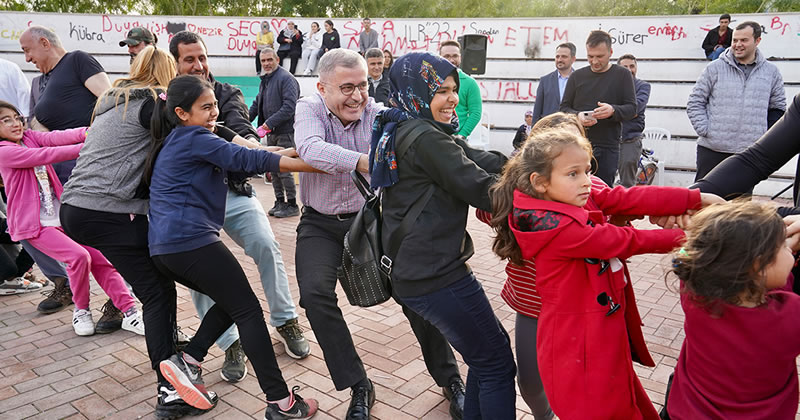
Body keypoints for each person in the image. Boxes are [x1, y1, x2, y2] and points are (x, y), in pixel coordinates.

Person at [294, 49, 466, 420]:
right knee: (314, 294)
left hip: (371, 220)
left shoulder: (377, 112)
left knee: (414, 288)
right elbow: (309, 148)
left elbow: (414, 131)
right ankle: (358, 385)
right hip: (320, 223)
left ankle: (451, 380)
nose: (357, 96)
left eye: (362, 86)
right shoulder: (308, 108)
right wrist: (364, 160)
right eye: (346, 88)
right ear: (322, 88)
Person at [490, 128, 707, 419]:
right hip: (579, 340)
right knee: (599, 406)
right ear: (540, 182)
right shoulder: (555, 227)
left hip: (594, 332)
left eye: (586, 170)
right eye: (573, 174)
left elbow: (625, 198)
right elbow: (624, 241)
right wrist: (692, 237)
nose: (586, 182)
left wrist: (693, 199)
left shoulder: (564, 200)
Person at [146, 74, 318, 420]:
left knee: (231, 301)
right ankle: (281, 403)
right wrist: (322, 167)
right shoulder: (196, 137)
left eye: (214, 106)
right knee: (248, 311)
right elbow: (251, 162)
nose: (214, 114)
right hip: (192, 244)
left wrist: (310, 151)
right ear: (181, 112)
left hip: (166, 250)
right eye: (206, 108)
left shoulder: (178, 139)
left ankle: (189, 361)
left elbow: (256, 151)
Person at [59, 46, 211, 419]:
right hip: (107, 209)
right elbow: (198, 132)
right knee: (158, 293)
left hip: (78, 208)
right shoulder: (149, 107)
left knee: (157, 285)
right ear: (166, 78)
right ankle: (170, 389)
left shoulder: (114, 104)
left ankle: (172, 357)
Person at [373, 52, 513, 418]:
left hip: (416, 270)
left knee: (487, 358)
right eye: (442, 91)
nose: (453, 98)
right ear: (418, 92)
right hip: (435, 275)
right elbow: (482, 189)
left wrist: (527, 161)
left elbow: (473, 159)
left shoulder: (409, 126)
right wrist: (547, 183)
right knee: (496, 362)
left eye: (454, 89)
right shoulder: (425, 138)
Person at [169, 30, 311, 384]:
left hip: (232, 189)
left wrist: (259, 149)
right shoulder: (168, 101)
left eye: (202, 56)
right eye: (190, 59)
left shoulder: (225, 93)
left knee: (266, 245)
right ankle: (230, 343)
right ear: (175, 62)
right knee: (198, 274)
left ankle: (285, 319)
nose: (199, 65)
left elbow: (241, 133)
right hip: (193, 205)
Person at [0, 100, 145, 338]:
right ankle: (81, 311)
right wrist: (91, 145)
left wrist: (92, 131)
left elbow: (57, 138)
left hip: (60, 217)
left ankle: (129, 312)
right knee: (78, 257)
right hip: (34, 225)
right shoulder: (4, 151)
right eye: (6, 120)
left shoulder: (29, 137)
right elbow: (46, 154)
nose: (16, 123)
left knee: (100, 260)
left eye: (17, 117)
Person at [665, 200, 800, 419]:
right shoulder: (792, 316)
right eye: (784, 247)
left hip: (688, 412)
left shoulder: (697, 298)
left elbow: (683, 260)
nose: (790, 250)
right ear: (758, 266)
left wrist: (697, 240)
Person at [687, 21, 785, 182]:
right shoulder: (714, 68)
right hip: (712, 150)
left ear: (757, 41)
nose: (738, 45)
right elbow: (695, 102)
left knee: (742, 205)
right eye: (735, 40)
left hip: (749, 153)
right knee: (703, 204)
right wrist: (706, 130)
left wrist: (763, 137)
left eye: (744, 40)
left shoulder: (771, 72)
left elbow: (777, 108)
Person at [19, 26, 111, 184]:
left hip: (85, 162)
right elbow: (33, 119)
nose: (27, 59)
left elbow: (110, 100)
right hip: (53, 166)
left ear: (45, 43)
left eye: (27, 50)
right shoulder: (36, 83)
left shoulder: (77, 60)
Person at [560, 30, 636, 186]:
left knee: (603, 190)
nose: (594, 61)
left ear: (611, 52)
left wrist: (613, 110)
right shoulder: (577, 76)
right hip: (577, 143)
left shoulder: (622, 75)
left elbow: (632, 109)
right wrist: (578, 116)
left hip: (608, 145)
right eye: (590, 56)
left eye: (599, 57)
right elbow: (564, 108)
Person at [249, 47, 301, 218]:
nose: (266, 63)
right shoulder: (265, 80)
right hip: (271, 133)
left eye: (269, 60)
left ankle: (292, 204)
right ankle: (280, 201)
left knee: (284, 170)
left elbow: (289, 107)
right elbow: (257, 104)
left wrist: (267, 125)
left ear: (277, 60)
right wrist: (244, 121)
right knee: (273, 169)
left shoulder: (286, 79)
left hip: (285, 132)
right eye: (263, 61)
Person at [617, 54, 651, 187]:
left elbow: (635, 109)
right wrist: (626, 111)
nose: (629, 69)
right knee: (604, 181)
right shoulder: (611, 86)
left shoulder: (643, 86)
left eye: (632, 66)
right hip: (610, 141)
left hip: (630, 140)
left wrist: (614, 110)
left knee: (627, 184)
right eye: (625, 67)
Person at [439, 40, 482, 137]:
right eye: (446, 56)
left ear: (460, 57)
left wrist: (462, 135)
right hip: (435, 135)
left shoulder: (470, 83)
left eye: (455, 56)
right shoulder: (432, 81)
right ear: (439, 58)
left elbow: (475, 113)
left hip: (457, 138)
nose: (451, 60)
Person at [532, 42, 576, 125]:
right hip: (548, 131)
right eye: (557, 56)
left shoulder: (580, 80)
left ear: (573, 59)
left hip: (571, 130)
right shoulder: (545, 81)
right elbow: (537, 111)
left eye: (564, 57)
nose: (559, 59)